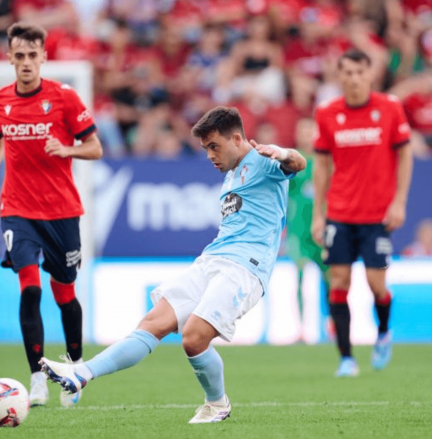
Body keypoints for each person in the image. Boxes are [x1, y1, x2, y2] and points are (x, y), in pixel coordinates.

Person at [41, 106, 306, 423]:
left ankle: (217, 403)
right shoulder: (232, 174)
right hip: (211, 260)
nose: (209, 155)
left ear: (237, 138)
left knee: (194, 338)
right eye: (206, 148)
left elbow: (297, 163)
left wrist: (282, 152)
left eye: (214, 146)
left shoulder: (265, 161)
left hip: (244, 268)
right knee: (152, 323)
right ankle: (81, 373)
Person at [0, 22, 103, 407]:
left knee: (65, 295)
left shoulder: (64, 98)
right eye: (20, 55)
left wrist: (67, 150)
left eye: (33, 55)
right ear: (9, 58)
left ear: (44, 57)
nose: (27, 62)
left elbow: (94, 148)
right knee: (30, 288)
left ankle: (75, 370)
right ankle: (37, 379)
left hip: (62, 211)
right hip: (17, 209)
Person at [312, 48, 413, 377]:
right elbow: (322, 165)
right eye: (348, 73)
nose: (354, 79)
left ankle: (383, 333)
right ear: (339, 76)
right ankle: (346, 358)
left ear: (370, 74)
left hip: (377, 217)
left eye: (360, 72)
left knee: (376, 283)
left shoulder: (389, 108)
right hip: (340, 212)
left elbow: (405, 156)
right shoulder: (327, 113)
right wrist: (318, 214)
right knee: (338, 281)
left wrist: (399, 202)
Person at [286, 117, 329, 337]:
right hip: (297, 230)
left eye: (310, 131)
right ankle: (301, 327)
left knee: (329, 275)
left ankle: (330, 322)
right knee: (299, 275)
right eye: (302, 131)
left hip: (321, 228)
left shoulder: (325, 161)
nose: (306, 135)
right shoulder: (290, 161)